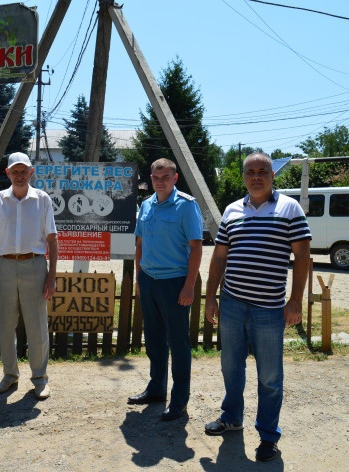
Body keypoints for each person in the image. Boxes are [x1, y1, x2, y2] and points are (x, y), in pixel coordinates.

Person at [204, 152, 311, 461]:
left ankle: (268, 435)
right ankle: (232, 419)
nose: (256, 176)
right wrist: (211, 297)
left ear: (272, 175)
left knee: (270, 376)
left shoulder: (289, 208)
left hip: (269, 308)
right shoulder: (232, 210)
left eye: (262, 170)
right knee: (230, 366)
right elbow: (220, 256)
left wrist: (295, 301)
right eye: (250, 171)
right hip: (233, 303)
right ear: (244, 177)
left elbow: (302, 256)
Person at [129, 158, 203, 421]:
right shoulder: (146, 204)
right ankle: (156, 389)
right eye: (156, 177)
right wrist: (140, 278)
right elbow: (139, 243)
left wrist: (189, 287)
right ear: (151, 179)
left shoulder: (186, 205)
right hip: (149, 280)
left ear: (175, 178)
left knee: (179, 344)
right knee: (154, 339)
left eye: (166, 176)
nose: (160, 181)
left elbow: (196, 247)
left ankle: (179, 399)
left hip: (175, 283)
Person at [0, 152, 57, 400]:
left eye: (24, 171)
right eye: (15, 171)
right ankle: (9, 375)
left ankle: (39, 378)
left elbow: (52, 240)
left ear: (31, 172)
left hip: (34, 265)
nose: (20, 175)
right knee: (6, 325)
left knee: (37, 325)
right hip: (4, 265)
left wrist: (51, 276)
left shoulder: (42, 199)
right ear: (8, 174)